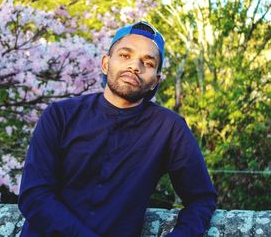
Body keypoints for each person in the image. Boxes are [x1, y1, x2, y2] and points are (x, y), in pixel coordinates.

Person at [18, 21, 217, 237]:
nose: (135, 66)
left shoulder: (168, 129)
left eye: (148, 63)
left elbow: (201, 199)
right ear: (105, 63)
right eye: (125, 55)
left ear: (155, 82)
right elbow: (34, 194)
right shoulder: (60, 115)